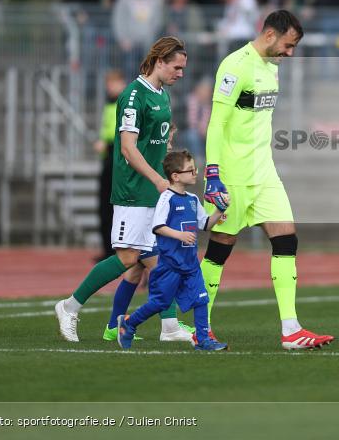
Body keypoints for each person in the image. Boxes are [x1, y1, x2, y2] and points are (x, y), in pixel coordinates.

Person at [198, 10, 334, 350]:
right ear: (270, 34)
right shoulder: (235, 65)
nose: (290, 54)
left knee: (286, 239)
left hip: (265, 173)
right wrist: (213, 172)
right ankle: (199, 326)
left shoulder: (271, 69)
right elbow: (217, 123)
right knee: (219, 251)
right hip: (233, 175)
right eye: (288, 46)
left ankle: (291, 329)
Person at [54, 37, 188, 342]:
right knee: (129, 258)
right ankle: (70, 306)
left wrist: (167, 146)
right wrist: (156, 179)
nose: (181, 73)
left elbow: (156, 138)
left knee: (158, 259)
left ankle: (165, 327)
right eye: (177, 67)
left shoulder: (162, 95)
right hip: (133, 190)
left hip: (153, 190)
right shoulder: (133, 95)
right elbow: (127, 148)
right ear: (159, 61)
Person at [118, 150, 227, 351]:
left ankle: (203, 339)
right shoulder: (167, 198)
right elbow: (158, 226)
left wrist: (220, 211)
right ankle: (129, 323)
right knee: (159, 303)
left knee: (202, 298)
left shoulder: (193, 200)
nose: (196, 173)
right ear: (175, 176)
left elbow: (206, 225)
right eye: (190, 170)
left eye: (195, 169)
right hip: (170, 265)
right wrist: (179, 235)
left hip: (191, 264)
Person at [94, 70, 128, 261]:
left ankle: (115, 249)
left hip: (117, 157)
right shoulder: (109, 103)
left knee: (113, 206)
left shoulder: (124, 104)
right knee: (104, 206)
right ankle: (108, 250)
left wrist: (106, 144)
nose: (110, 87)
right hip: (109, 156)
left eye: (113, 83)